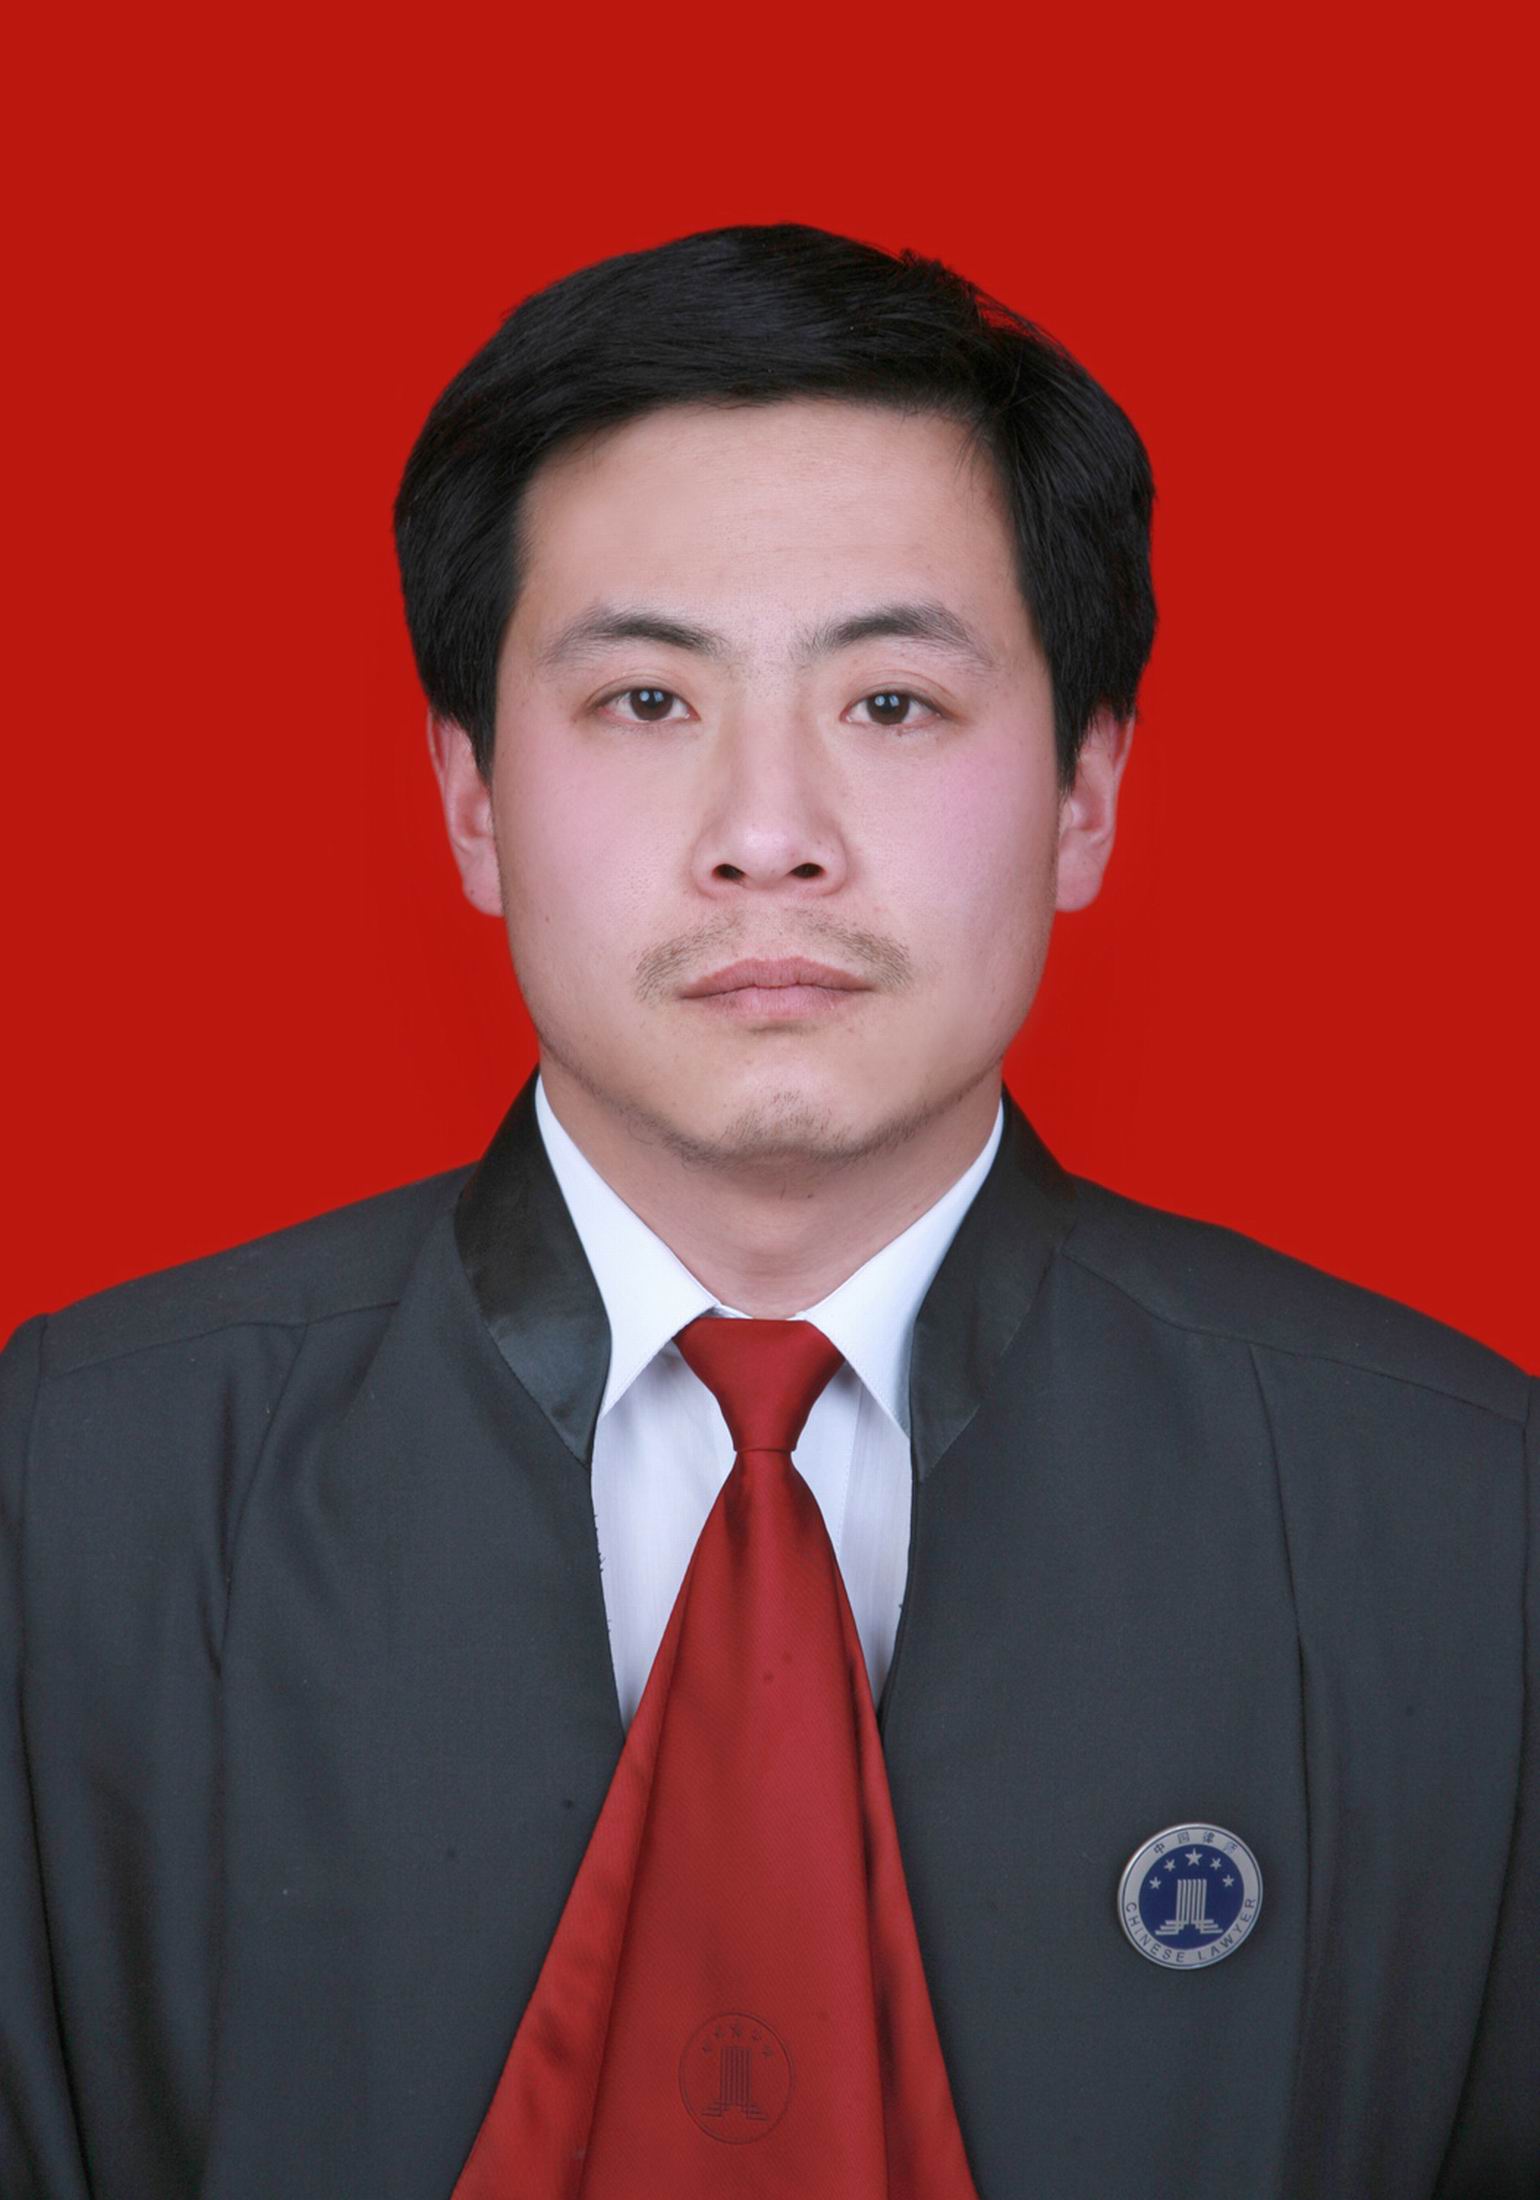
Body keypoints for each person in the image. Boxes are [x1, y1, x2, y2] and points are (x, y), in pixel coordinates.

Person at [2, 222, 1533, 2200]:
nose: (766, 835)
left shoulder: (1457, 1525)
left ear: (1084, 793)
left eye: (890, 704)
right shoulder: (73, 1494)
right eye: (647, 701)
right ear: (471, 799)